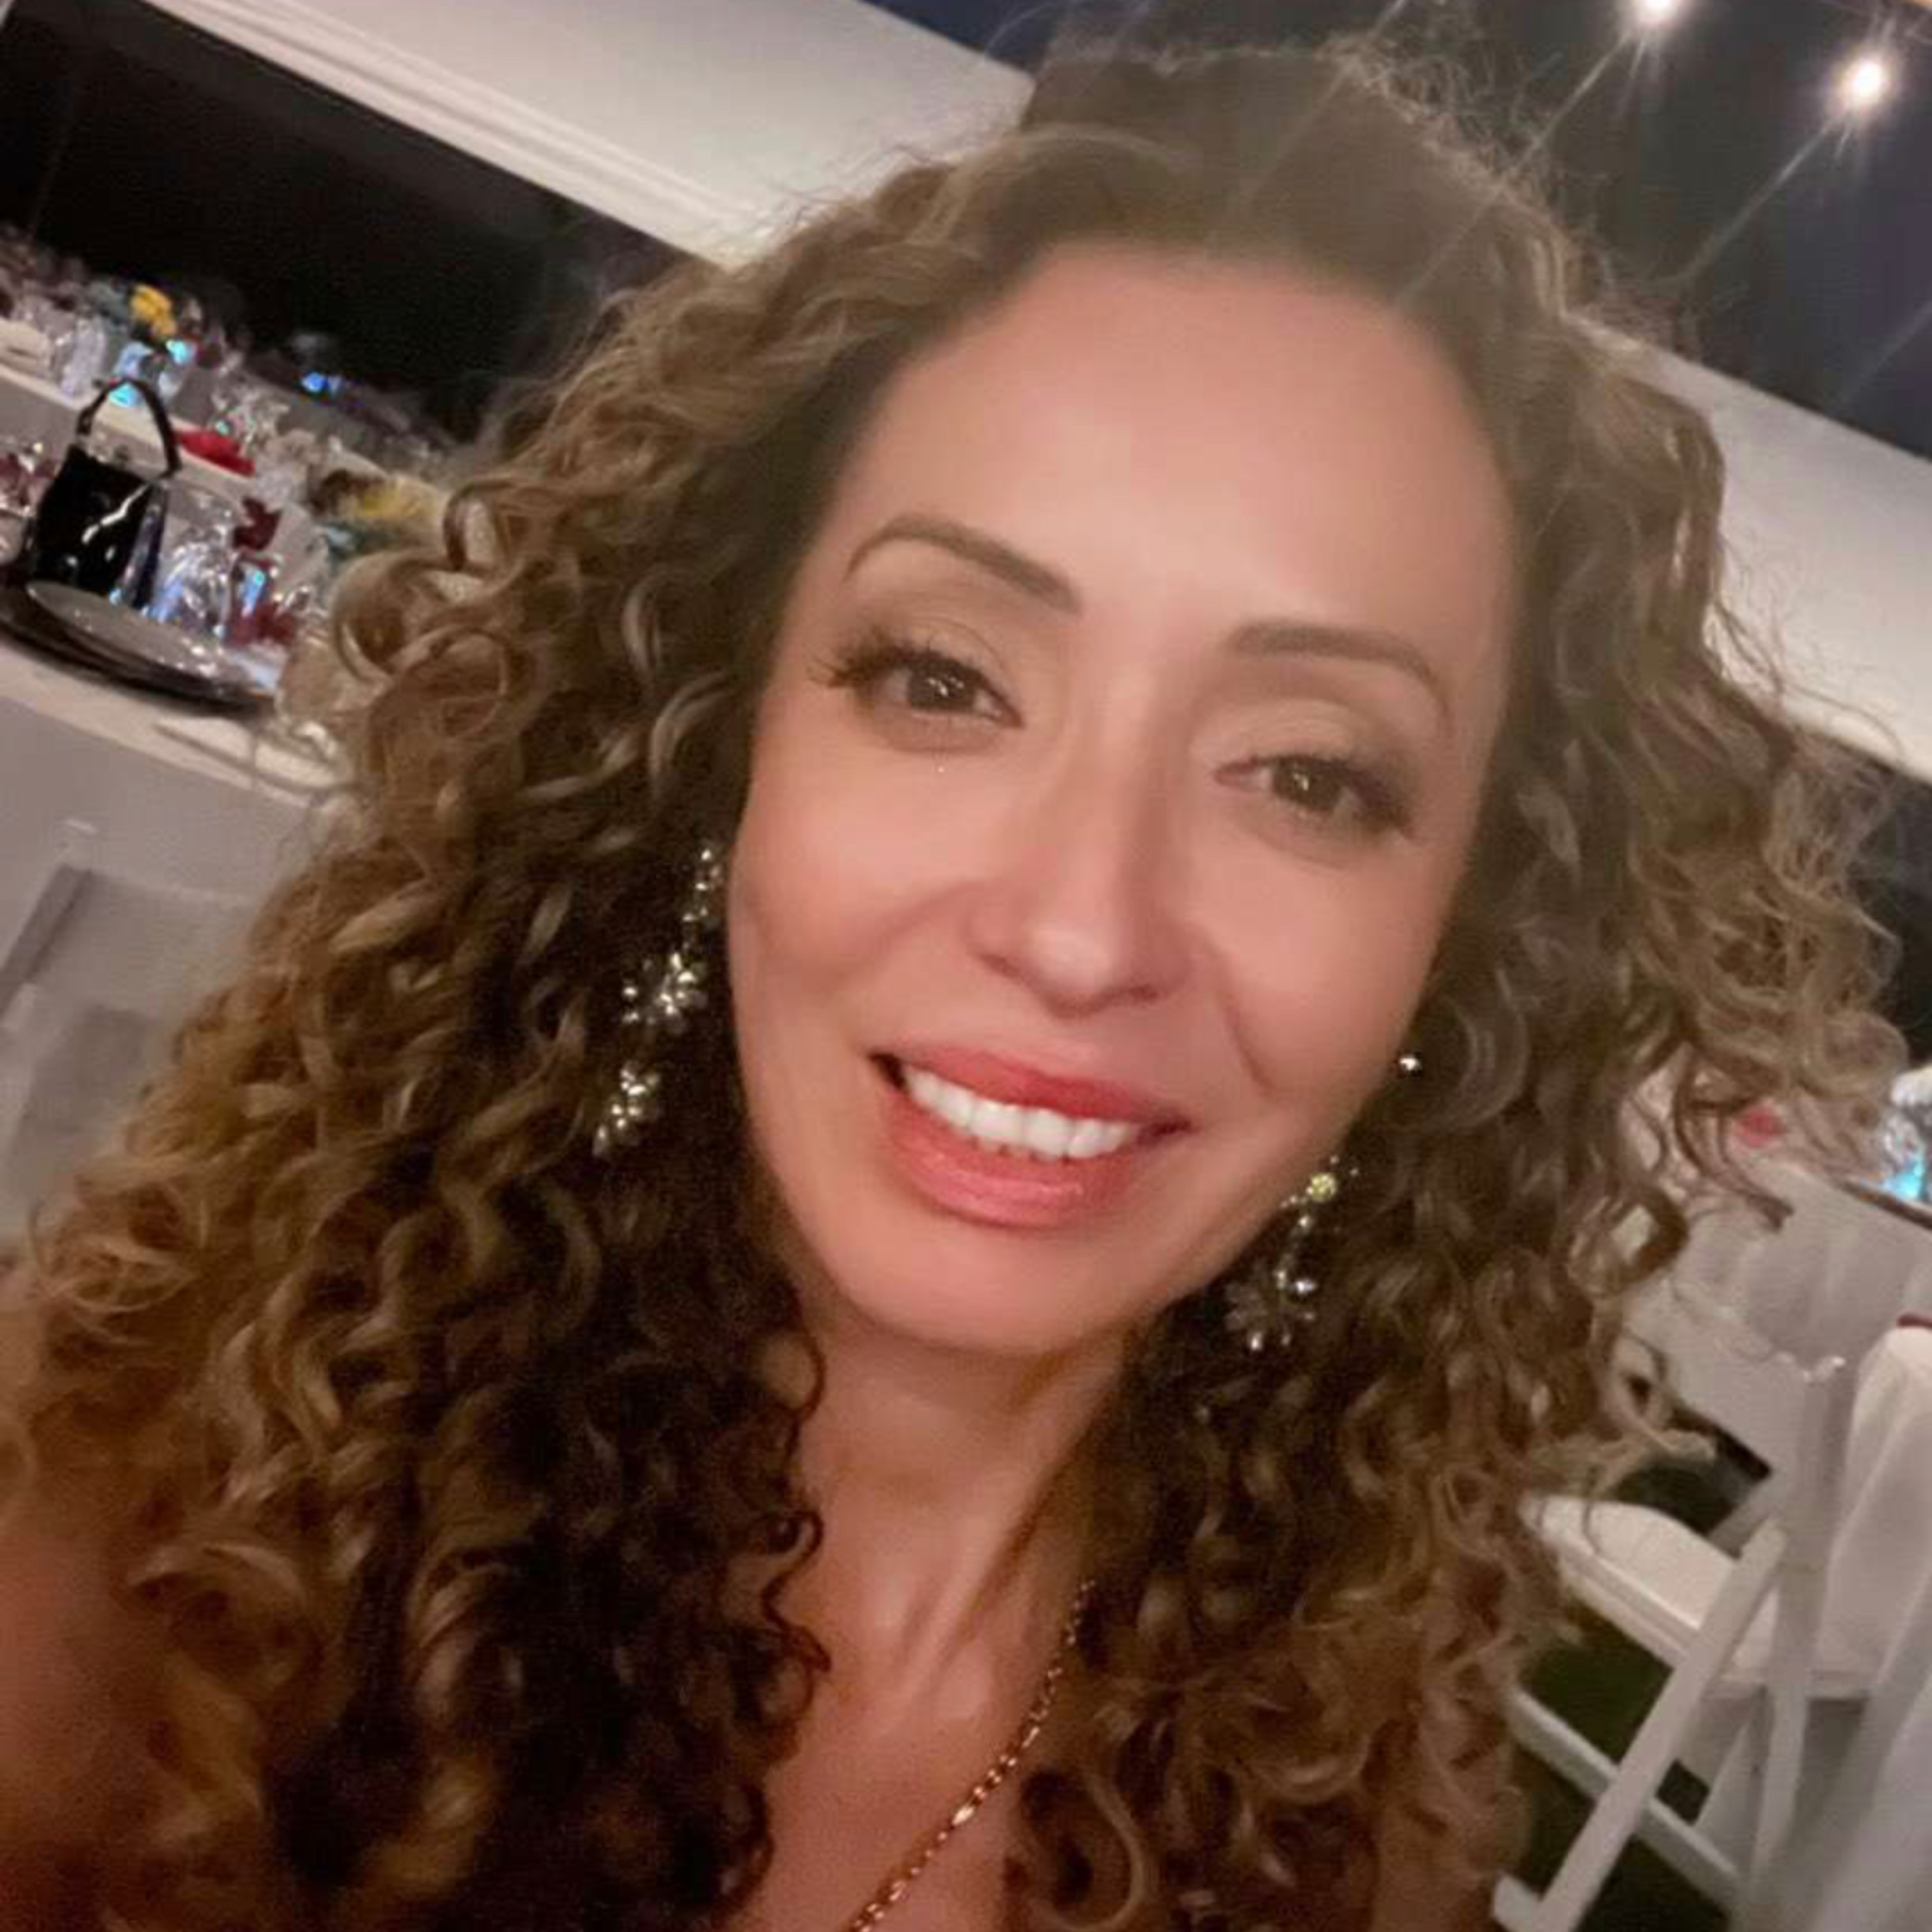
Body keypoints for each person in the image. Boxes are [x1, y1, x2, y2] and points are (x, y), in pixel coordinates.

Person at [0, 31, 1899, 1932]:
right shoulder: (131, 1577)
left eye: (1310, 777)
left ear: (1465, 942)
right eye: (942, 679)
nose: (1081, 928)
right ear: (716, 744)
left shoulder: (1349, 1802)